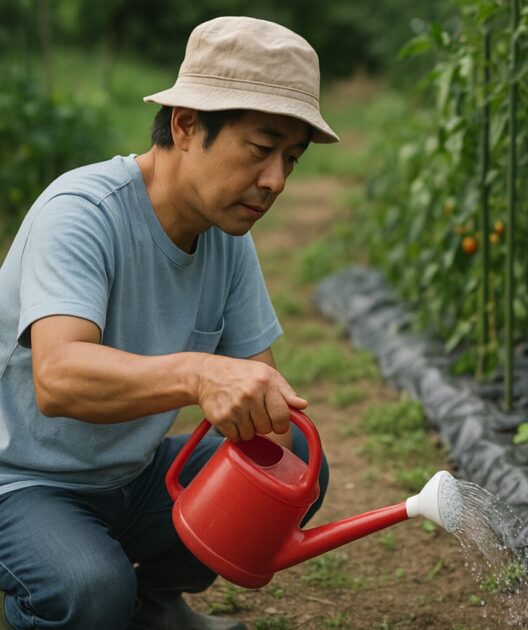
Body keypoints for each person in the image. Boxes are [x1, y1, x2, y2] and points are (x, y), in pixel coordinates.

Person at [0, 16, 337, 629]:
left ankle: (157, 602)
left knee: (301, 472)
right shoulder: (82, 213)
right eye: (262, 150)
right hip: (22, 483)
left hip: (132, 476)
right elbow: (58, 377)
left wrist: (270, 477)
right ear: (185, 125)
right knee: (88, 591)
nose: (276, 181)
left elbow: (269, 420)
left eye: (292, 158)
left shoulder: (226, 234)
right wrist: (198, 373)